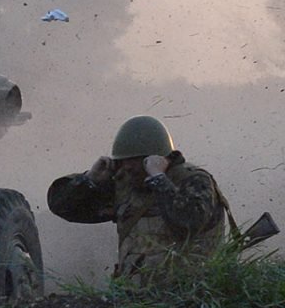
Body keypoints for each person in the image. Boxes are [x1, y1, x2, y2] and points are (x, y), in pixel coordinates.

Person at [46, 115, 229, 277]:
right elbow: (63, 207)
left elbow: (189, 223)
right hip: (135, 302)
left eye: (134, 161)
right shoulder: (126, 185)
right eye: (122, 161)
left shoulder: (193, 181)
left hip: (189, 300)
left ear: (154, 159)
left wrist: (159, 180)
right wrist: (89, 180)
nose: (128, 168)